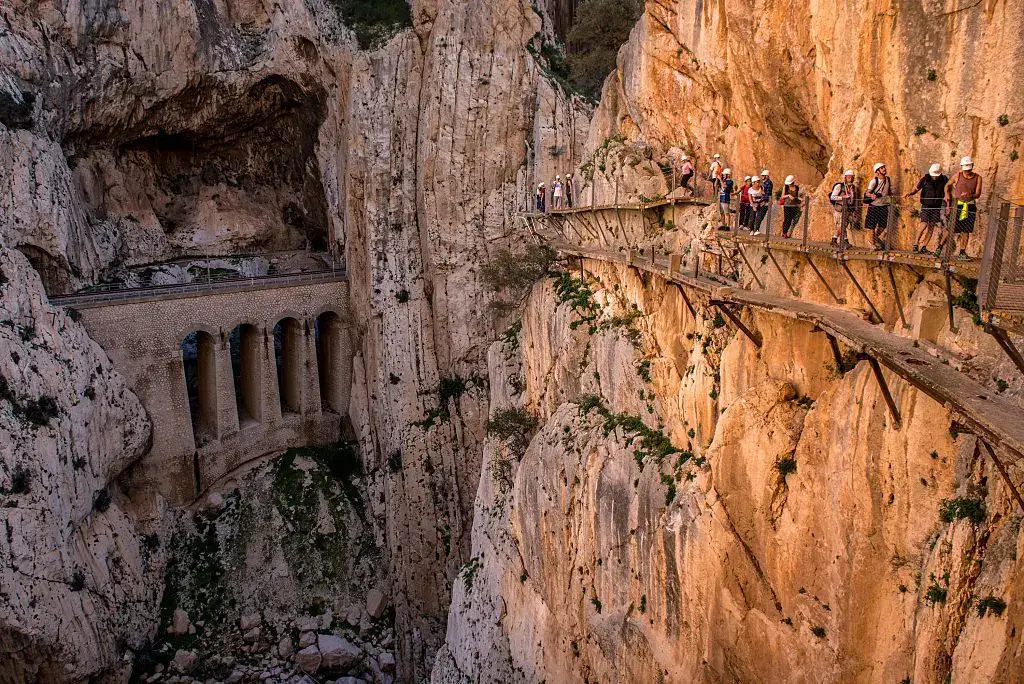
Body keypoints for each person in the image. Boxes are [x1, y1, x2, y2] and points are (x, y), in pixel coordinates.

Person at [944, 156, 983, 258]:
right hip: (957, 205)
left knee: (966, 230)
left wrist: (970, 196)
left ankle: (962, 252)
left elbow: (978, 194)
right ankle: (939, 248)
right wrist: (947, 194)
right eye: (965, 170)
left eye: (969, 169)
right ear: (962, 167)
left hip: (970, 206)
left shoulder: (978, 178)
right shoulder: (958, 175)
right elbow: (947, 185)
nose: (967, 171)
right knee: (950, 228)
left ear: (972, 167)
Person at [905, 163, 948, 253]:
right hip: (926, 206)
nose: (935, 177)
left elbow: (947, 190)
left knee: (931, 226)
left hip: (936, 206)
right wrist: (910, 193)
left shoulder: (944, 179)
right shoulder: (925, 179)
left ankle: (924, 247)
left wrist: (948, 202)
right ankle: (915, 244)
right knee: (923, 224)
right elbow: (916, 189)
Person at [864, 162, 893, 249]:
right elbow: (867, 193)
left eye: (884, 167)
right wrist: (872, 195)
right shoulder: (874, 181)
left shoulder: (888, 179)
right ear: (877, 171)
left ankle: (873, 239)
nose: (884, 169)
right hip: (874, 206)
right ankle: (872, 244)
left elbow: (888, 191)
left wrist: (892, 196)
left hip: (883, 205)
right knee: (871, 226)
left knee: (883, 225)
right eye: (881, 168)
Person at [829, 169, 858, 246]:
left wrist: (854, 210)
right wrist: (842, 197)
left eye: (852, 177)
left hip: (848, 210)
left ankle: (845, 241)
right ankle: (834, 239)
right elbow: (832, 197)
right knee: (842, 226)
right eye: (849, 177)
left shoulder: (852, 187)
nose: (850, 179)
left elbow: (853, 200)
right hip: (840, 210)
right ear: (845, 177)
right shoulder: (839, 186)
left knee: (844, 226)